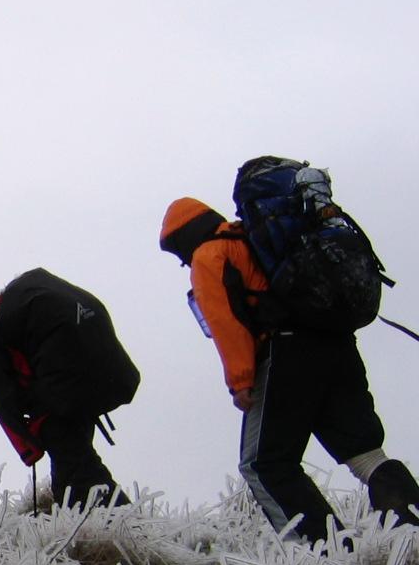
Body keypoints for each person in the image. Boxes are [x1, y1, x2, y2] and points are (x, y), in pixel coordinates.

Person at [160, 196, 419, 539]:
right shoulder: (256, 239)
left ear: (182, 240)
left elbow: (227, 322)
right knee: (366, 454)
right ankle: (412, 533)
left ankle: (325, 556)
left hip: (286, 353)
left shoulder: (209, 255)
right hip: (335, 343)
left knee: (263, 464)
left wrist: (241, 381)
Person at [0, 269, 139, 509]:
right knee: (69, 471)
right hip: (76, 394)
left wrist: (27, 447)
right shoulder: (19, 322)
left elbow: (0, 399)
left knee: (82, 469)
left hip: (52, 409)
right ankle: (73, 528)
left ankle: (131, 526)